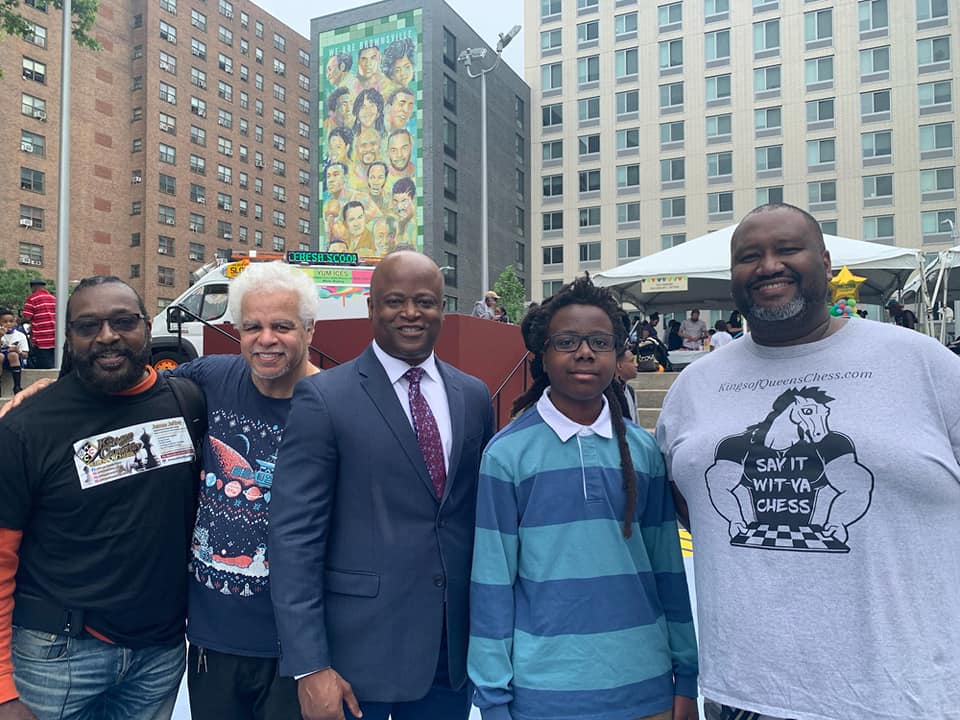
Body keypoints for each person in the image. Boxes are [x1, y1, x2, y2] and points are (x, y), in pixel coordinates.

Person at [656, 202, 960, 720]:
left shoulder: (924, 364)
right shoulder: (695, 387)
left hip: (904, 694)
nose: (768, 265)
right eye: (749, 255)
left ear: (823, 260)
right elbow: (690, 505)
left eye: (788, 249)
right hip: (743, 694)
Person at [269, 251, 494, 720]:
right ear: (371, 308)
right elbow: (293, 539)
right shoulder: (325, 398)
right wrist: (310, 666)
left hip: (448, 657)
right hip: (355, 662)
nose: (411, 313)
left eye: (425, 301)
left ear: (443, 311)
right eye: (395, 301)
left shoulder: (472, 396)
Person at [469, 276, 697, 720]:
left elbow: (669, 568)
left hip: (645, 691)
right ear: (541, 356)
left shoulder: (643, 450)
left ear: (616, 353)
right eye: (568, 341)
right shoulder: (507, 455)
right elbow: (491, 586)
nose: (585, 352)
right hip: (544, 696)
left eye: (600, 341)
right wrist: (493, 700)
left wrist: (686, 678)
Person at [0, 276, 203, 719]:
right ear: (69, 339)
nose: (107, 336)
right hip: (55, 656)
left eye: (123, 322)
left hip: (160, 654)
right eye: (88, 326)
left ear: (148, 329)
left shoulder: (188, 402)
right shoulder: (25, 427)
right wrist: (2, 688)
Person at [176, 262, 320, 719]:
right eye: (252, 326)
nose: (266, 339)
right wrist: (38, 395)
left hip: (296, 651)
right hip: (211, 638)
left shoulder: (338, 405)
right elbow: (126, 393)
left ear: (310, 329)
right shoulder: (211, 377)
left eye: (282, 326)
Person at [21, 279, 55, 369]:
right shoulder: (53, 298)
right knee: (54, 365)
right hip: (56, 338)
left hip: (42, 338)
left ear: (33, 287)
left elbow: (26, 317)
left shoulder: (32, 298)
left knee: (43, 367)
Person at [0, 310, 29, 395]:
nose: (8, 324)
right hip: (2, 360)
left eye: (11, 321)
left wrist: (18, 351)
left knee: (13, 355)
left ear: (15, 322)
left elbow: (25, 355)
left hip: (15, 360)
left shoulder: (20, 335)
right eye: (5, 322)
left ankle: (17, 386)